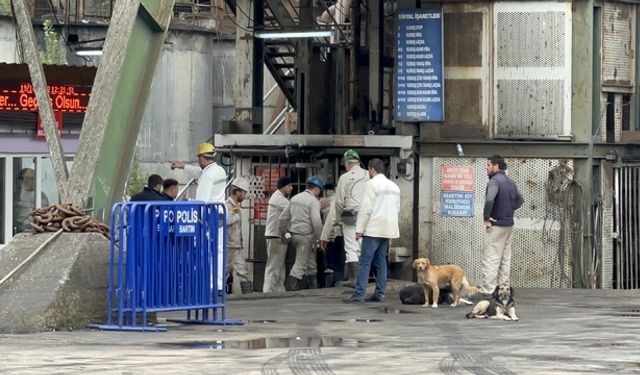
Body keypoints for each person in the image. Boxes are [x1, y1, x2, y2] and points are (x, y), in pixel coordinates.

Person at [170, 142, 227, 291]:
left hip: (209, 216)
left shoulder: (207, 176)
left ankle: (207, 286)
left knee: (206, 251)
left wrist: (197, 220)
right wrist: (182, 166)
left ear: (202, 158)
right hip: (220, 214)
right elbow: (199, 172)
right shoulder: (219, 170)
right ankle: (219, 285)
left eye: (198, 158)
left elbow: (201, 201)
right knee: (219, 250)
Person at [344, 159, 400, 303]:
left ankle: (359, 294)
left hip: (374, 228)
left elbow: (365, 209)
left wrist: (359, 230)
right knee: (381, 261)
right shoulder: (394, 186)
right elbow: (397, 209)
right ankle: (379, 293)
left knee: (365, 261)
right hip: (388, 229)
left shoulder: (372, 184)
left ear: (372, 170)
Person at [479, 155, 524, 296]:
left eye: (488, 164)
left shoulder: (494, 181)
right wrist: (509, 210)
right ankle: (504, 288)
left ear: (496, 166)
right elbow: (521, 200)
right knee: (505, 258)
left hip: (496, 224)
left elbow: (489, 199)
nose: (486, 167)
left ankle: (488, 289)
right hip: (508, 224)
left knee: (491, 257)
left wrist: (487, 217)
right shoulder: (510, 182)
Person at [278, 176, 324, 291]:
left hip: (294, 235)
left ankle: (313, 289)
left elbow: (283, 218)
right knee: (301, 264)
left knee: (311, 264)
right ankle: (290, 287)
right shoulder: (314, 201)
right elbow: (317, 222)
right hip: (306, 237)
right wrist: (320, 239)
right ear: (316, 189)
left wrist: (284, 233)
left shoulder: (295, 198)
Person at [333, 149, 369, 288]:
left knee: (351, 246)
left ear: (347, 163)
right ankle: (363, 278)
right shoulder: (368, 175)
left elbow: (339, 202)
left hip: (349, 217)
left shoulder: (345, 177)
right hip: (366, 216)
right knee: (361, 246)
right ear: (358, 162)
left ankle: (354, 278)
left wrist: (338, 218)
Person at [262, 176, 293, 293]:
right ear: (284, 186)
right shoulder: (279, 199)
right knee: (274, 265)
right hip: (275, 236)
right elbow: (293, 208)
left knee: (279, 265)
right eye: (289, 185)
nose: (291, 188)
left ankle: (279, 290)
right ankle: (268, 292)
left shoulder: (278, 197)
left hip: (276, 235)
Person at [226, 178, 253, 294]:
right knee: (222, 272)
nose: (245, 195)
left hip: (235, 246)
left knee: (243, 272)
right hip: (228, 246)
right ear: (238, 192)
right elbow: (225, 221)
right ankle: (213, 295)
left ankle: (249, 298)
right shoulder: (226, 205)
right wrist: (237, 216)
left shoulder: (235, 206)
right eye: (244, 192)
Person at [319, 185, 345, 287]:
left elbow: (330, 219)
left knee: (334, 262)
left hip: (335, 235)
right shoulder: (354, 198)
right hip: (347, 235)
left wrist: (324, 237)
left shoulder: (333, 200)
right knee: (340, 261)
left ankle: (335, 284)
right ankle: (339, 282)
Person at [14, 168, 49, 233]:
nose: (30, 181)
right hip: (19, 229)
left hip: (37, 229)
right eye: (27, 178)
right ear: (21, 180)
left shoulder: (40, 194)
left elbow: (45, 208)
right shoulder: (16, 196)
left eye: (33, 178)